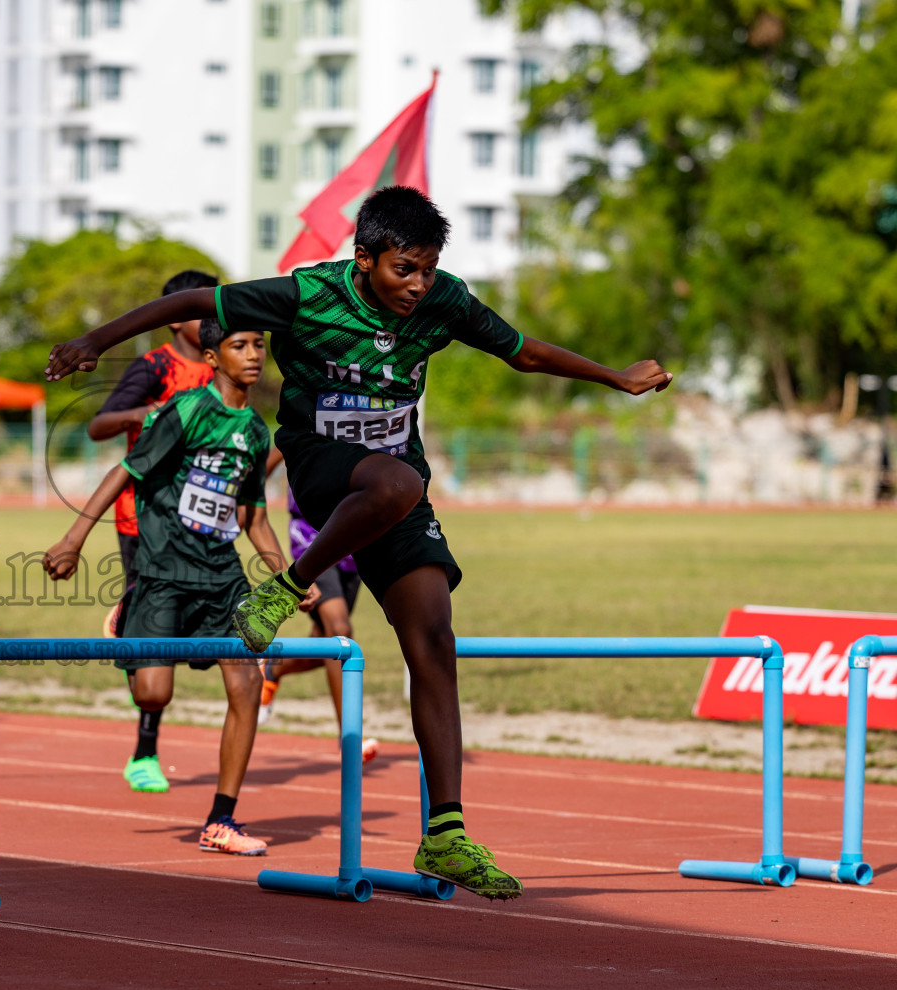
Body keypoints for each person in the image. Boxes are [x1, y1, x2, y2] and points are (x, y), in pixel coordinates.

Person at [45, 185, 673, 898]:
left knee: (433, 637)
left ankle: (446, 834)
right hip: (321, 467)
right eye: (404, 269)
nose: (418, 286)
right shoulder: (306, 295)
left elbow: (523, 353)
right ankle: (282, 592)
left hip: (393, 487)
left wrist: (614, 377)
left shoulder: (444, 302)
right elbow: (190, 306)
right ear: (364, 257)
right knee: (397, 483)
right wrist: (94, 342)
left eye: (429, 269)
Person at [44, 320, 316, 856]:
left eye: (259, 345)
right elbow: (126, 471)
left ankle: (221, 820)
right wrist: (73, 538)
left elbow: (253, 518)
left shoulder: (257, 432)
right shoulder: (186, 410)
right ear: (213, 358)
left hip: (222, 576)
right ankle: (130, 614)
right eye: (240, 346)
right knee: (153, 693)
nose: (254, 355)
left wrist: (289, 575)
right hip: (164, 568)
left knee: (245, 686)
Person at [88, 270, 217, 793]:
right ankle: (145, 752)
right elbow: (99, 425)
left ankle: (128, 621)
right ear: (177, 317)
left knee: (202, 652)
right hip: (142, 517)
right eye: (206, 308)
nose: (215, 317)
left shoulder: (222, 367)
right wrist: (150, 411)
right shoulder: (154, 368)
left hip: (202, 520)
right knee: (158, 643)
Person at [257, 451, 380, 765]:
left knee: (325, 645)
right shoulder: (305, 417)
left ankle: (272, 667)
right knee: (340, 631)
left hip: (354, 541)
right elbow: (259, 472)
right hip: (311, 539)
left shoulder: (357, 423)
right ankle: (350, 738)